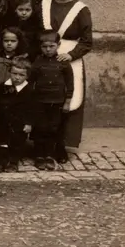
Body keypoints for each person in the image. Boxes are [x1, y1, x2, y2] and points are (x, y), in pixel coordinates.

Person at [42, 0, 92, 162]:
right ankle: (43, 144)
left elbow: (87, 41)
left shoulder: (81, 9)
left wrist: (71, 55)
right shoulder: (45, 5)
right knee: (45, 98)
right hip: (45, 55)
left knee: (67, 100)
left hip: (68, 58)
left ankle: (60, 145)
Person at [30, 30, 74, 170]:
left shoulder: (63, 63)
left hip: (57, 102)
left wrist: (67, 101)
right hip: (40, 102)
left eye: (51, 46)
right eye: (44, 47)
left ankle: (49, 155)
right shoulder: (37, 62)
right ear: (40, 47)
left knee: (53, 128)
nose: (48, 49)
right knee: (40, 128)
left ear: (58, 45)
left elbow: (70, 83)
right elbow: (31, 81)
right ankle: (39, 155)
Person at [0, 57, 35, 171]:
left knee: (17, 142)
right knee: (2, 141)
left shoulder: (29, 90)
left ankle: (13, 161)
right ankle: (2, 161)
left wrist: (28, 123)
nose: (17, 77)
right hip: (4, 120)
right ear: (10, 72)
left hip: (19, 122)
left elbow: (32, 108)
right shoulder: (3, 86)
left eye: (21, 75)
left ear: (27, 76)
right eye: (14, 73)